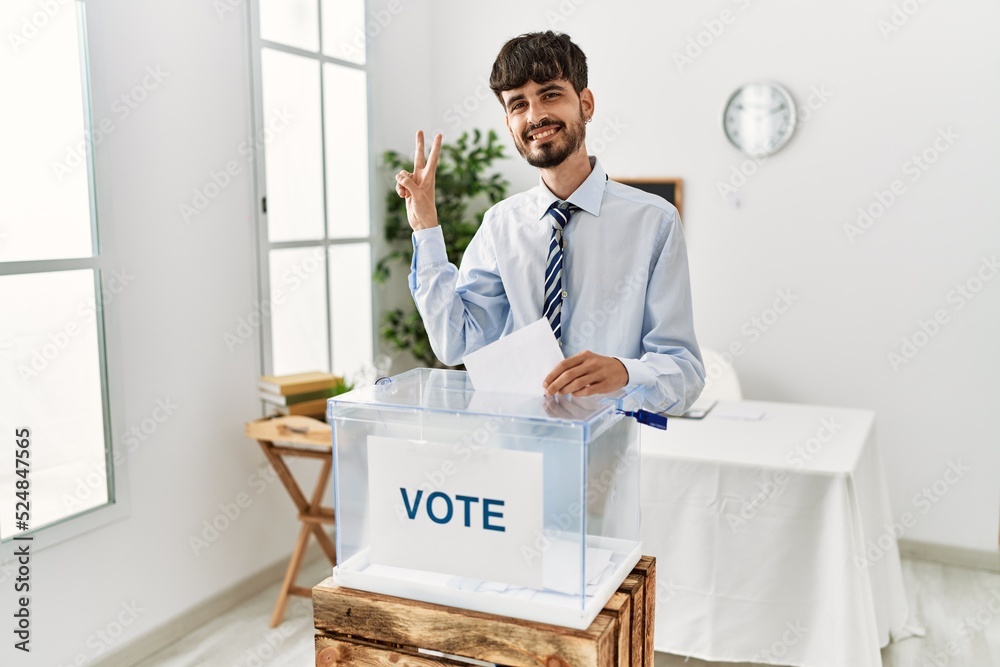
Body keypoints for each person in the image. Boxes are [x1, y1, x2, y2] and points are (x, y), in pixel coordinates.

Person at [395, 31, 704, 414]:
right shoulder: (500, 225)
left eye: (550, 94)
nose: (535, 115)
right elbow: (454, 342)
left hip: (610, 452)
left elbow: (686, 375)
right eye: (518, 104)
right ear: (509, 123)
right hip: (517, 446)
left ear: (586, 104)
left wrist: (624, 372)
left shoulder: (654, 221)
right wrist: (426, 229)